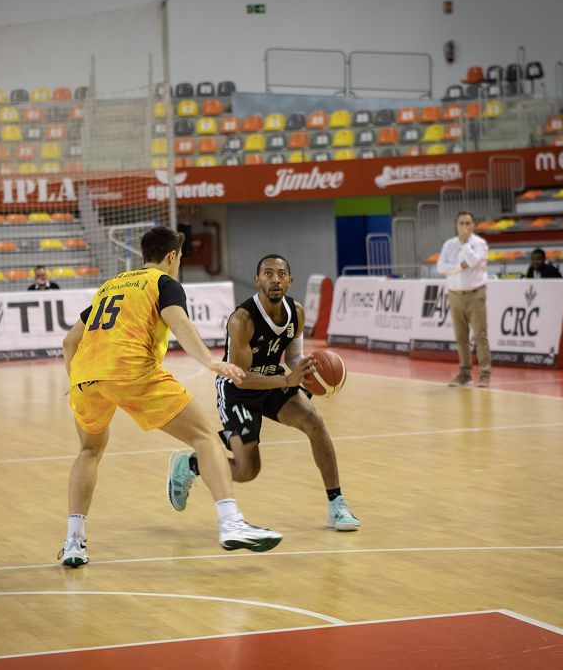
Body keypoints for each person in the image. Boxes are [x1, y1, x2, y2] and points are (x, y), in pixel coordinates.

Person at [58, 226, 282, 567]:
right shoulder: (164, 283)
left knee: (89, 451)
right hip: (132, 370)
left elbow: (70, 342)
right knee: (205, 437)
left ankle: (74, 542)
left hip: (87, 377)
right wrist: (209, 360)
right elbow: (177, 322)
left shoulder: (111, 285)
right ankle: (230, 522)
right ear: (172, 257)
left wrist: (76, 379)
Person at [166, 254, 360, 531]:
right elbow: (241, 378)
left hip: (275, 380)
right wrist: (287, 380)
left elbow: (294, 358)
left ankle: (336, 503)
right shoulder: (242, 320)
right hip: (237, 390)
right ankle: (192, 464)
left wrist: (309, 374)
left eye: (281, 274)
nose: (275, 279)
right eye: (268, 274)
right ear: (257, 280)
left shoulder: (297, 313)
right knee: (247, 471)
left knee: (315, 423)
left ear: (290, 280)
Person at [437, 211, 491, 388]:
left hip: (475, 294)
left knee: (480, 336)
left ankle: (484, 374)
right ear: (456, 225)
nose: (465, 227)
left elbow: (474, 262)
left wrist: (466, 244)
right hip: (454, 295)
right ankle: (465, 373)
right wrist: (460, 267)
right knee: (461, 338)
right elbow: (441, 268)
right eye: (461, 223)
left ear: (474, 224)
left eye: (468, 223)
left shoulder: (480, 244)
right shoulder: (449, 244)